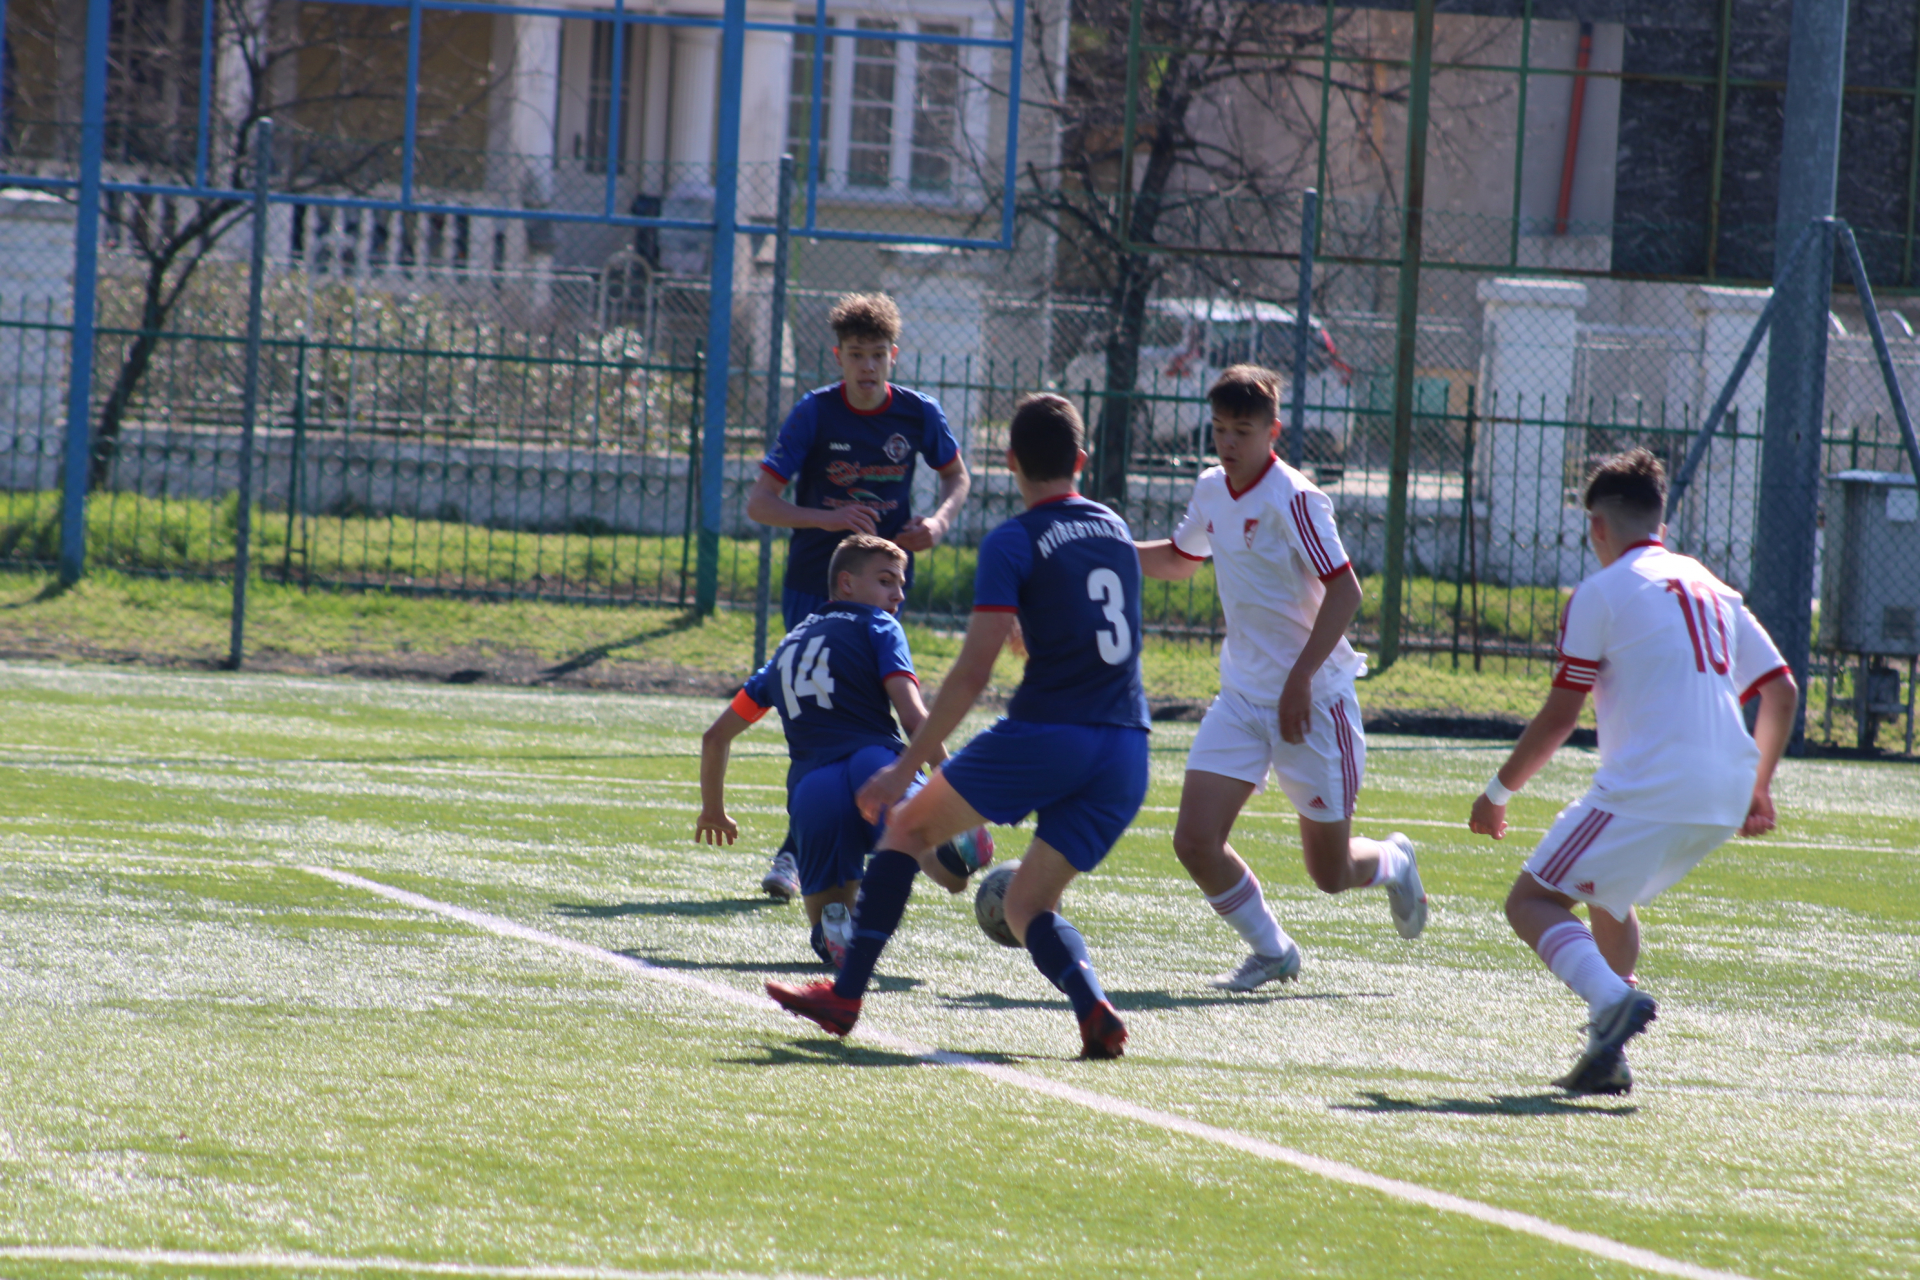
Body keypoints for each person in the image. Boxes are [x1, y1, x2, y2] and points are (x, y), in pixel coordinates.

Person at [765, 393, 1149, 1059]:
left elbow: (971, 675)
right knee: (1027, 907)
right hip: (1127, 751)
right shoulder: (1113, 528)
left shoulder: (1012, 540)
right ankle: (1093, 1006)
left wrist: (903, 766)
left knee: (906, 828)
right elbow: (1139, 573)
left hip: (1050, 734)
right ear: (1081, 462)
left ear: (1011, 461)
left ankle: (844, 996)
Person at [1468, 448, 1795, 1095]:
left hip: (1652, 785)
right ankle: (1608, 1051)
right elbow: (1780, 690)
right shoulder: (1711, 585)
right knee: (1607, 894)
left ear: (1596, 527)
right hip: (1727, 787)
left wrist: (1498, 791)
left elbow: (1561, 715)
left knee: (1531, 902)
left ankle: (1611, 1002)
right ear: (1660, 526)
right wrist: (1759, 785)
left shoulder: (1600, 592)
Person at [1134, 364, 1426, 992]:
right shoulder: (1211, 488)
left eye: (1242, 431)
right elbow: (1182, 560)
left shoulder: (1294, 497)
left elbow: (1346, 593)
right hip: (1241, 698)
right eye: (1219, 428)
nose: (1228, 442)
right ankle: (1273, 951)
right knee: (1194, 841)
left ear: (1274, 431)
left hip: (1314, 701)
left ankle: (1394, 859)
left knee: (1330, 873)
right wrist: (1107, 548)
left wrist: (1300, 679)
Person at [744, 292, 971, 902]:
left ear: (893, 355)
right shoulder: (815, 413)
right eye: (855, 355)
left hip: (879, 591)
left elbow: (957, 476)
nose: (867, 366)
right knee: (816, 721)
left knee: (874, 715)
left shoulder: (918, 413)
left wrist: (940, 521)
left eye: (877, 354)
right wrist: (829, 518)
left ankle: (844, 839)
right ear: (838, 356)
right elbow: (760, 503)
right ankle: (803, 848)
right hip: (814, 590)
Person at [695, 535, 945, 967]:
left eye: (901, 585)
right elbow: (912, 717)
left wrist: (713, 811)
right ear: (846, 583)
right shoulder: (879, 625)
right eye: (886, 581)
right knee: (933, 848)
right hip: (874, 766)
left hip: (812, 788)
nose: (898, 595)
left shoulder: (786, 648)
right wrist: (952, 779)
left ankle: (834, 926)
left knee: (833, 916)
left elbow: (715, 737)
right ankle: (956, 848)